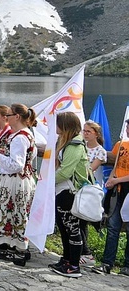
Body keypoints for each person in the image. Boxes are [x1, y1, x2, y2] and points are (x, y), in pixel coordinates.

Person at [0, 103, 37, 266]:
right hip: (18, 179)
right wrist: (3, 156)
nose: (8, 118)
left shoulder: (20, 138)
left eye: (9, 115)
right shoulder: (26, 134)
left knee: (17, 213)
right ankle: (14, 246)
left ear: (16, 117)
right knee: (14, 212)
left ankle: (20, 250)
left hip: (15, 181)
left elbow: (17, 164)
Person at [48, 111, 89, 278]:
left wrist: (47, 181)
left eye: (57, 123)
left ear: (64, 125)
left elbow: (65, 172)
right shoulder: (66, 143)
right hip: (62, 190)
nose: (55, 126)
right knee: (64, 227)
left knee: (72, 228)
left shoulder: (74, 146)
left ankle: (74, 265)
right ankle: (66, 259)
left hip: (70, 191)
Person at [92, 118, 129, 276]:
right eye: (127, 127)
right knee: (113, 227)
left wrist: (116, 180)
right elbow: (114, 162)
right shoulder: (121, 145)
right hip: (118, 191)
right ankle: (107, 263)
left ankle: (127, 265)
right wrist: (112, 179)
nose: (127, 130)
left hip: (124, 188)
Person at [79, 120, 106, 267]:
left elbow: (90, 169)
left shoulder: (100, 151)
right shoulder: (81, 146)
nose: (85, 134)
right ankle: (81, 250)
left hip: (89, 189)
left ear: (95, 133)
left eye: (88, 131)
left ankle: (86, 252)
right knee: (76, 219)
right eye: (84, 131)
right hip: (77, 187)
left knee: (83, 220)